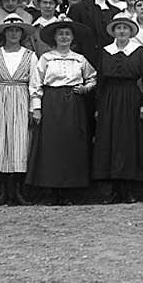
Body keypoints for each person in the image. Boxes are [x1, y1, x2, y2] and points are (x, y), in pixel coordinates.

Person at [28, 17, 97, 203]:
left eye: (67, 34)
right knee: (51, 144)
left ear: (72, 38)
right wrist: (37, 109)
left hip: (74, 104)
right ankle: (50, 189)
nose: (64, 37)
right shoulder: (46, 59)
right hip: (52, 103)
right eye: (61, 34)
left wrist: (85, 89)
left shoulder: (79, 59)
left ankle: (70, 189)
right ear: (54, 38)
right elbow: (35, 85)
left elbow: (93, 78)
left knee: (71, 143)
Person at [92, 16, 143, 203]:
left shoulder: (139, 52)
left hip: (130, 98)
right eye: (118, 28)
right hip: (110, 98)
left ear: (130, 32)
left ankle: (128, 190)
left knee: (127, 141)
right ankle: (112, 190)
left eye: (125, 28)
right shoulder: (105, 52)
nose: (121, 32)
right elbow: (100, 81)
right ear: (113, 31)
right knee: (109, 141)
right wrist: (98, 106)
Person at [0, 14, 37, 206]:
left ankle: (17, 191)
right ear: (4, 33)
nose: (14, 34)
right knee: (0, 142)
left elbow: (34, 83)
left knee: (20, 142)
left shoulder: (30, 56)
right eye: (10, 31)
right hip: (1, 97)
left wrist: (34, 107)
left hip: (21, 97)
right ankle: (2, 191)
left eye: (17, 30)